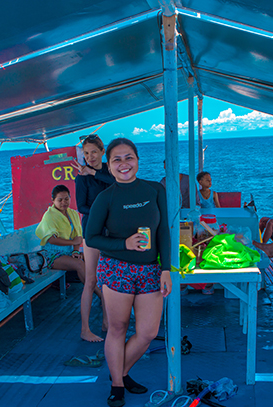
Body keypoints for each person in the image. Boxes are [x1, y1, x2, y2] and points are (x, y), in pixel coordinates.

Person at [84, 138, 172, 407]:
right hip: (116, 269)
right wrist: (124, 243)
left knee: (147, 332)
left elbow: (164, 233)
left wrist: (166, 269)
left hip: (150, 270)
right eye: (117, 160)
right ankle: (118, 385)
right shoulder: (106, 197)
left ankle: (120, 371)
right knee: (119, 327)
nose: (124, 164)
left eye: (129, 157)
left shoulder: (155, 190)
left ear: (138, 160)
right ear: (109, 166)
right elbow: (91, 238)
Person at [72, 134, 115, 342]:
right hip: (92, 231)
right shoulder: (81, 177)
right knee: (91, 280)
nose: (90, 157)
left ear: (102, 152)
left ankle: (107, 322)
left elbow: (117, 183)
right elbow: (81, 207)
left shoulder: (109, 170)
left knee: (108, 281)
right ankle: (85, 329)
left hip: (111, 231)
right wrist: (103, 213)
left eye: (94, 152)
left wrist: (95, 172)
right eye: (86, 153)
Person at [35, 185, 86, 283]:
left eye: (66, 199)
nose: (64, 202)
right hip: (52, 255)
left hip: (68, 252)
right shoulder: (49, 215)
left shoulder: (73, 214)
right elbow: (51, 240)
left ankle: (101, 289)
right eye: (60, 200)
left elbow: (77, 236)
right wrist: (72, 242)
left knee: (92, 258)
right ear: (53, 200)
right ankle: (97, 292)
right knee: (79, 264)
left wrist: (75, 251)